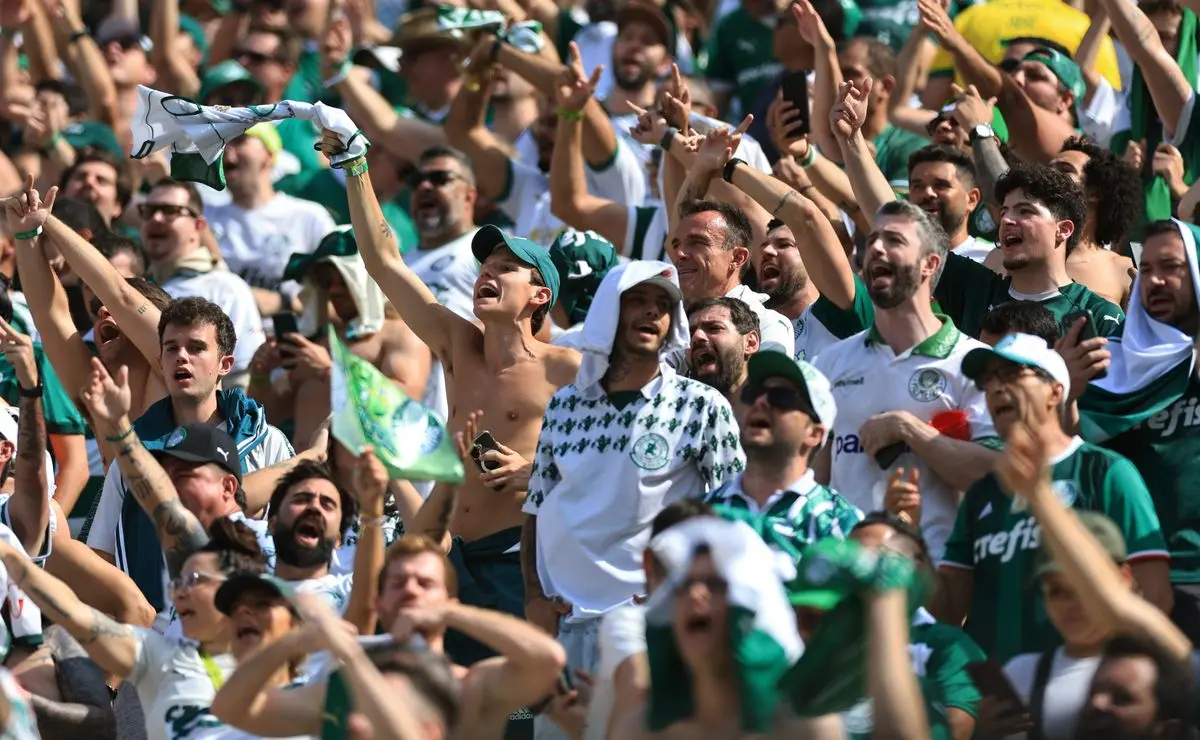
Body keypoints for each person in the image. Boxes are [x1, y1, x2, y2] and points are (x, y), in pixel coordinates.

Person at [325, 129, 581, 658]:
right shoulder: (458, 344)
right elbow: (384, 262)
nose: (488, 273)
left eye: (506, 268)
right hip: (447, 558)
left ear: (541, 294)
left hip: (517, 563)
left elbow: (610, 465)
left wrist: (534, 474)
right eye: (485, 268)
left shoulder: (568, 369)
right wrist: (355, 166)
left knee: (512, 723)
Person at [522, 259, 744, 739]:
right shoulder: (563, 405)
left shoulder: (702, 406)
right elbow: (537, 503)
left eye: (663, 305)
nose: (651, 314)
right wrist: (534, 596)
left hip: (654, 628)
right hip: (566, 628)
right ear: (606, 312)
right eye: (637, 301)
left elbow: (734, 514)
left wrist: (686, 589)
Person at [935, 332, 1172, 663]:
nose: (997, 388)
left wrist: (1110, 674)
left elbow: (1156, 593)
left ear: (1055, 391)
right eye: (989, 381)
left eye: (1013, 374)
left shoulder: (1106, 472)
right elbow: (948, 610)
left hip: (1085, 691)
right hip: (998, 703)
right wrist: (905, 543)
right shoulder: (982, 493)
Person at [831, 75, 1126, 339]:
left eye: (1025, 211)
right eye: (1006, 210)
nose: (1008, 220)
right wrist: (852, 140)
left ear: (1063, 230)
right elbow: (894, 217)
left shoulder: (1098, 316)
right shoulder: (973, 288)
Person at [212, 534, 567, 740]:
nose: (410, 590)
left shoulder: (470, 687)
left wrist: (451, 613)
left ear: (450, 601)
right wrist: (295, 640)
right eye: (398, 583)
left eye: (425, 584)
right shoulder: (338, 691)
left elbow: (546, 659)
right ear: (379, 605)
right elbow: (232, 708)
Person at [810, 199, 1000, 560]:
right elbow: (813, 478)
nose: (876, 248)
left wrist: (910, 431)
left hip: (935, 583)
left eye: (894, 241)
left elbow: (996, 477)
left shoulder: (976, 363)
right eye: (873, 240)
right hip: (846, 574)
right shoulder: (831, 362)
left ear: (930, 264)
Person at [0, 516, 266, 740]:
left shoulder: (282, 667)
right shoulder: (159, 657)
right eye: (178, 582)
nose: (180, 594)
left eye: (195, 580)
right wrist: (9, 552)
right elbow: (72, 611)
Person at [842, 511, 986, 740]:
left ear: (916, 566)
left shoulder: (948, 645)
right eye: (852, 558)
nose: (862, 568)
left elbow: (954, 730)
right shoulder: (827, 641)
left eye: (878, 557)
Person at [705, 350, 862, 553]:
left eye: (781, 397)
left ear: (814, 434)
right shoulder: (701, 513)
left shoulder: (841, 524)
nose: (760, 402)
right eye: (753, 394)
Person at [203, 124, 337, 317]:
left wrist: (284, 303)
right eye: (222, 143)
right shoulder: (205, 219)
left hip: (293, 340)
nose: (226, 149)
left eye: (240, 140)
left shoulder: (308, 217)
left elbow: (344, 300)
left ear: (269, 155)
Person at [137, 179, 266, 379]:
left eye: (170, 210)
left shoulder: (225, 287)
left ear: (199, 225)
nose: (156, 218)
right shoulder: (138, 287)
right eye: (148, 210)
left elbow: (242, 377)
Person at [670, 198, 795, 357]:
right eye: (676, 245)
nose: (679, 254)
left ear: (737, 258)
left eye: (696, 243)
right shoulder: (667, 323)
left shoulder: (768, 326)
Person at [687, 296, 761, 400]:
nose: (696, 337)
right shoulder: (672, 410)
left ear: (750, 343)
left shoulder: (778, 408)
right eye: (689, 334)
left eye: (714, 328)